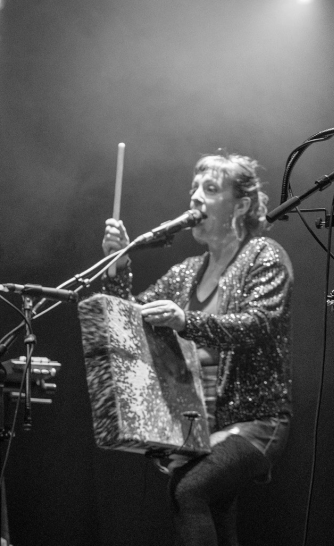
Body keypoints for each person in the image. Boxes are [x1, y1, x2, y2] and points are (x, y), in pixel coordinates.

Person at [101, 152, 292, 546]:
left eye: (211, 188)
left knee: (190, 489)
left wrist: (185, 321)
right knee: (215, 513)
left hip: (257, 422)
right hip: (200, 425)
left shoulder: (264, 255)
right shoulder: (187, 271)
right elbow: (130, 320)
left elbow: (258, 325)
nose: (196, 197)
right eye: (194, 188)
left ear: (240, 206)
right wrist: (118, 263)